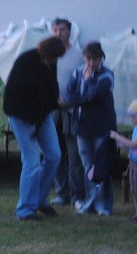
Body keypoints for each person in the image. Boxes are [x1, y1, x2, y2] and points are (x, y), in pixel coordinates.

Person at [3, 36, 65, 221]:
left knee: (54, 155)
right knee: (32, 161)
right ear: (47, 52)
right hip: (22, 116)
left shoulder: (50, 62)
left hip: (42, 114)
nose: (55, 61)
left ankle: (39, 200)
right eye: (54, 57)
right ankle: (25, 210)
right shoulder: (26, 61)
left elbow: (51, 85)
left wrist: (56, 101)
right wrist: (32, 126)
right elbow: (17, 93)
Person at [62, 41, 117, 216]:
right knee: (87, 165)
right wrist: (74, 98)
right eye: (88, 59)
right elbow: (69, 92)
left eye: (95, 59)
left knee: (101, 165)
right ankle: (91, 201)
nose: (91, 63)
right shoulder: (78, 71)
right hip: (82, 126)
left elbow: (91, 96)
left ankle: (103, 205)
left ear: (101, 58)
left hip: (102, 126)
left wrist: (72, 101)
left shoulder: (107, 75)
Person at [50, 18, 86, 209]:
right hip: (52, 110)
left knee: (74, 155)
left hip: (71, 110)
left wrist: (70, 101)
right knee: (54, 152)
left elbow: (84, 83)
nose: (58, 33)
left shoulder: (78, 55)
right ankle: (61, 193)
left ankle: (77, 195)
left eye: (62, 29)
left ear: (69, 32)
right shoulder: (48, 54)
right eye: (55, 29)